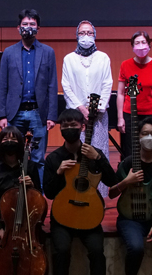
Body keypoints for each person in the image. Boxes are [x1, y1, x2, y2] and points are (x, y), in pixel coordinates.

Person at [43, 109, 119, 275]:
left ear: (83, 127)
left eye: (73, 125)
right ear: (60, 128)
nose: (69, 128)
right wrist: (58, 173)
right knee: (61, 251)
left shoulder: (94, 153)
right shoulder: (54, 158)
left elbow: (112, 182)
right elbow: (48, 193)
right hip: (63, 216)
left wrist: (98, 158)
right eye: (65, 125)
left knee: (97, 251)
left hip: (89, 215)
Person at [108, 118, 152, 275]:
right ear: (138, 137)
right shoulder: (127, 163)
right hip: (130, 217)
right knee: (135, 248)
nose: (149, 137)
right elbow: (112, 193)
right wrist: (127, 181)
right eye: (145, 134)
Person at [0, 9, 58, 183]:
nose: (28, 27)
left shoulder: (48, 52)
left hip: (38, 113)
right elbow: (2, 85)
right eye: (25, 24)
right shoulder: (9, 52)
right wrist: (2, 114)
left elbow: (52, 85)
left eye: (32, 24)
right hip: (14, 113)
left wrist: (52, 115)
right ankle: (14, 192)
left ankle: (37, 196)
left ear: (38, 27)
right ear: (18, 28)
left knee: (38, 158)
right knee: (12, 155)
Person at [0, 126, 42, 272]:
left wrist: (32, 186)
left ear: (20, 142)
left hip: (25, 218)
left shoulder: (30, 166)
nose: (9, 141)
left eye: (13, 139)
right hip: (0, 216)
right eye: (5, 139)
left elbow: (39, 197)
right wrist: (1, 227)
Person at [61, 20, 112, 197]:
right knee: (78, 153)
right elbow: (66, 86)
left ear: (95, 35)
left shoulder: (103, 58)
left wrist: (97, 108)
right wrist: (82, 109)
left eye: (89, 33)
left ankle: (98, 196)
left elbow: (107, 84)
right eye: (82, 33)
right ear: (76, 35)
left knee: (97, 154)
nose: (86, 36)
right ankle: (77, 192)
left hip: (98, 117)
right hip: (77, 117)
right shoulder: (69, 59)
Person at [117, 30, 152, 161]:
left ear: (149, 45)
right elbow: (121, 93)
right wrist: (120, 118)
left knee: (150, 151)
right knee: (129, 152)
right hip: (130, 114)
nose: (141, 46)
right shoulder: (125, 65)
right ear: (133, 46)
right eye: (137, 43)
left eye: (143, 42)